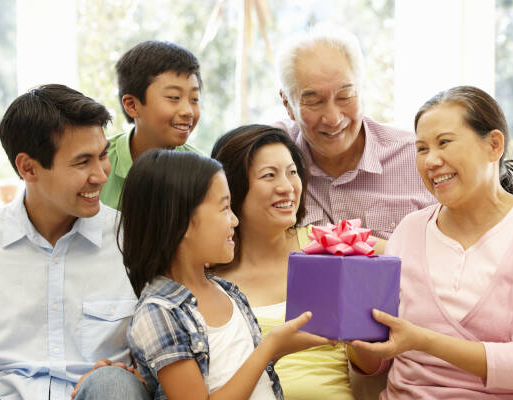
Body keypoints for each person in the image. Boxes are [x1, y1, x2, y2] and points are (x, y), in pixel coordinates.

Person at [348, 86, 513, 399]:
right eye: (422, 148)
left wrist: (422, 341)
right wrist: (354, 333)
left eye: (444, 143)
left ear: (494, 145)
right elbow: (376, 364)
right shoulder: (410, 230)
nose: (430, 161)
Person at [0, 84, 148, 400]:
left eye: (103, 155)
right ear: (28, 167)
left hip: (98, 395)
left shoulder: (133, 238)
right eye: (82, 162)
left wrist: (137, 375)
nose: (101, 175)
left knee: (115, 386)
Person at [118, 149, 332, 399]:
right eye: (224, 208)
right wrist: (269, 346)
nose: (234, 221)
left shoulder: (227, 291)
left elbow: (240, 369)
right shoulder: (159, 313)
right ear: (182, 222)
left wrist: (281, 347)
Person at [210, 124, 356, 399]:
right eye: (269, 175)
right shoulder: (208, 274)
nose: (287, 187)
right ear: (232, 187)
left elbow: (406, 257)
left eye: (292, 173)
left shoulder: (329, 245)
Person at [275, 27, 435, 253]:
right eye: (314, 101)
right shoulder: (269, 161)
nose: (333, 118)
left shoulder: (418, 157)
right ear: (287, 105)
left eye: (345, 97)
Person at [100, 40, 202, 210]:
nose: (188, 111)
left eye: (195, 99)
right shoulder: (98, 164)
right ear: (132, 105)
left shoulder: (203, 172)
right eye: (174, 97)